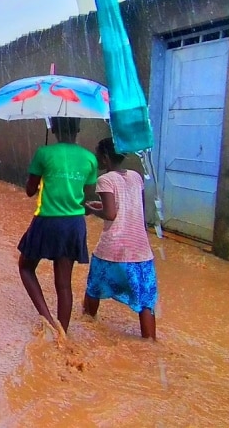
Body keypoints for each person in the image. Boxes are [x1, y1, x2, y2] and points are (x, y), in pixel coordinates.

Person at [17, 117, 98, 334]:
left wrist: (37, 173)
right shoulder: (90, 158)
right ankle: (63, 333)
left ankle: (48, 320)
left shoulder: (43, 153)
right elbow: (86, 199)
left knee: (25, 267)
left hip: (47, 221)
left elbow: (30, 190)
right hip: (74, 224)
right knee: (64, 285)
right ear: (78, 128)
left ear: (52, 128)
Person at [83, 138, 158, 339]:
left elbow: (110, 214)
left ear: (106, 158)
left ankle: (86, 324)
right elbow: (129, 208)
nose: (97, 160)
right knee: (145, 301)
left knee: (93, 288)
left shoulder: (105, 180)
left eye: (99, 156)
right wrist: (98, 207)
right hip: (141, 250)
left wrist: (90, 208)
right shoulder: (136, 177)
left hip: (113, 249)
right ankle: (150, 342)